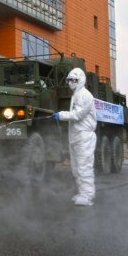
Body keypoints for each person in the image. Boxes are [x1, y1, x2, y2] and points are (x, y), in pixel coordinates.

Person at [53, 68, 97, 206]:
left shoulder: (84, 95)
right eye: (69, 80)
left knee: (84, 166)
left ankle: (87, 196)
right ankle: (82, 193)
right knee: (77, 166)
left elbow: (78, 115)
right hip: (77, 136)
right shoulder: (76, 95)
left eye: (74, 80)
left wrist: (61, 115)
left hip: (84, 136)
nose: (71, 83)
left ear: (80, 80)